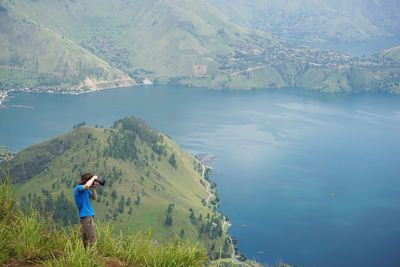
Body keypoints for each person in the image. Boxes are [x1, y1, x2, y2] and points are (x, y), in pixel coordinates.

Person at [73, 172, 100, 247]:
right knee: (93, 241)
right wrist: (93, 178)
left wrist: (94, 188)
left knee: (86, 241)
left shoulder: (86, 190)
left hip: (89, 216)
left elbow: (94, 198)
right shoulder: (78, 188)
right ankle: (92, 257)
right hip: (86, 217)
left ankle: (86, 256)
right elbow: (87, 186)